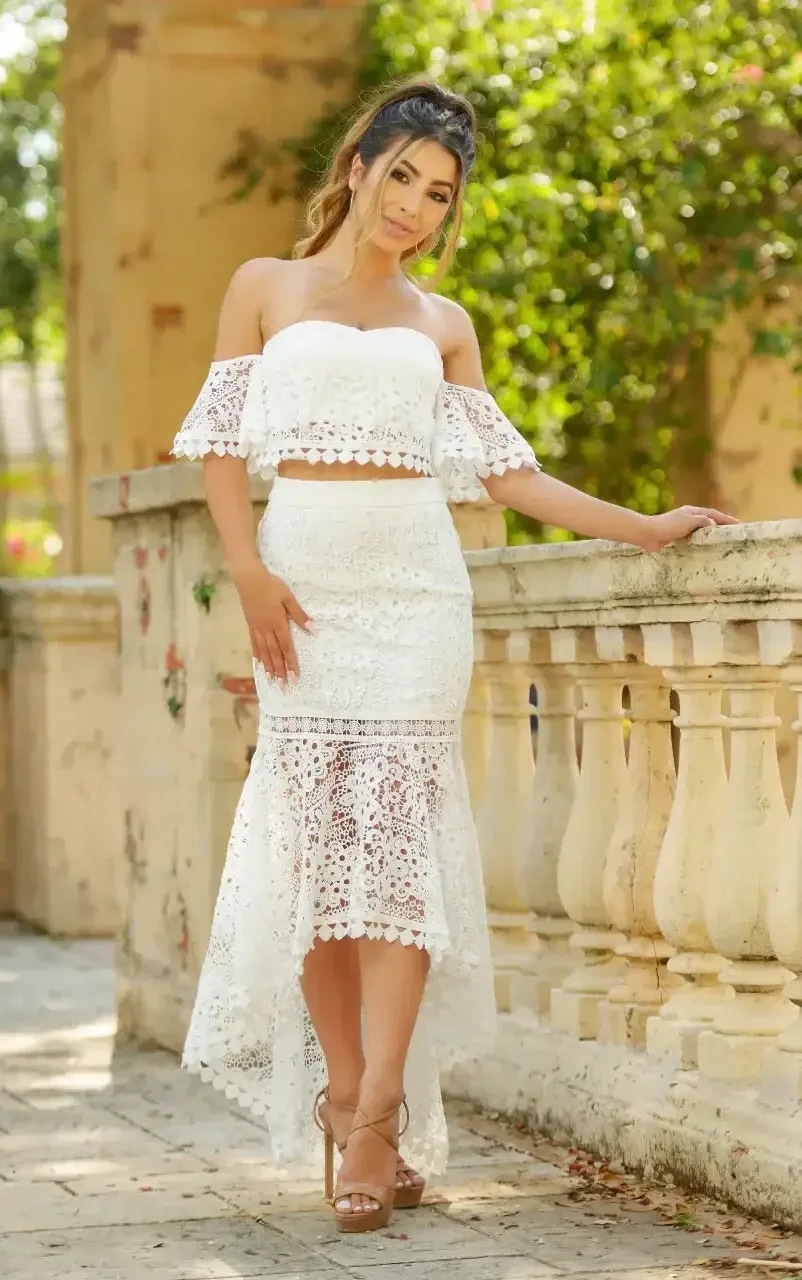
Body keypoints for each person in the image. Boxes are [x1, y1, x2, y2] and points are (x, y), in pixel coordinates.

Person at [170, 76, 737, 1235]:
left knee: (397, 866)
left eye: (438, 194)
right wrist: (249, 571)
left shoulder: (443, 323)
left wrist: (642, 525)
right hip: (304, 591)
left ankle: (377, 1113)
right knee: (319, 864)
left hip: (414, 600)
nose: (415, 208)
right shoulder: (262, 289)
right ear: (357, 165)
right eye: (402, 179)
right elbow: (220, 448)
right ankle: (341, 1094)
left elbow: (507, 475)